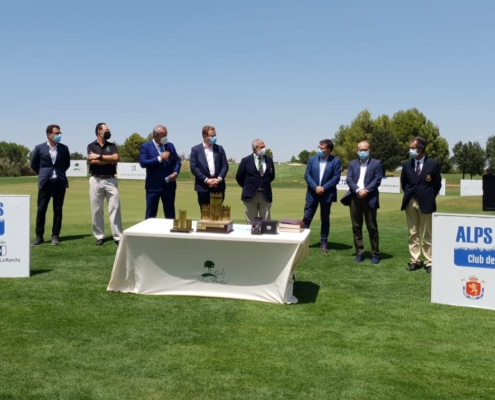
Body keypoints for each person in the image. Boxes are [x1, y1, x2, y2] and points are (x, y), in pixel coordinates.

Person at [401, 136, 442, 274]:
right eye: (410, 147)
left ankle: (429, 262)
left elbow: (437, 184)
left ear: (421, 149)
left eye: (413, 148)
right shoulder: (407, 164)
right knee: (413, 233)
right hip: (410, 202)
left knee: (427, 234)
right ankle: (414, 261)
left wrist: (429, 197)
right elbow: (404, 183)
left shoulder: (433, 164)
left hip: (426, 202)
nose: (410, 150)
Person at [340, 141, 383, 264]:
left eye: (365, 149)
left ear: (369, 150)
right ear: (357, 151)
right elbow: (349, 179)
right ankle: (360, 251)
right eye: (360, 150)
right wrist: (358, 190)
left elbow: (377, 180)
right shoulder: (352, 164)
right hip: (355, 197)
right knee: (356, 226)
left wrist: (366, 190)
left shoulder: (377, 163)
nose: (362, 152)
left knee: (372, 227)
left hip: (370, 198)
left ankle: (375, 253)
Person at [31, 124, 71, 246]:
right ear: (49, 134)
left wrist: (58, 172)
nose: (59, 135)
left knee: (58, 210)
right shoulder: (39, 148)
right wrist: (44, 173)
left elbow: (67, 164)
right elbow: (34, 164)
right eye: (56, 133)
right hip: (45, 183)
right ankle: (39, 236)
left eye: (60, 133)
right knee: (41, 210)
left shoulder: (64, 148)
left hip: (59, 182)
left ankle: (55, 235)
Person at [87, 122, 123, 246]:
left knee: (115, 208)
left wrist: (99, 156)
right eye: (106, 130)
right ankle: (99, 236)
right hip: (96, 180)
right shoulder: (91, 145)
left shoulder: (112, 145)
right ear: (99, 131)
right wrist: (106, 159)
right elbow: (93, 161)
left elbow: (116, 158)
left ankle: (118, 236)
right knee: (96, 209)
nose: (108, 132)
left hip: (111, 180)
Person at [302, 139, 341, 253]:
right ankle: (303, 241)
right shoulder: (312, 159)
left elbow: (336, 177)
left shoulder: (335, 161)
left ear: (328, 150)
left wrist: (323, 188)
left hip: (326, 194)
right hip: (312, 193)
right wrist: (315, 187)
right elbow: (307, 175)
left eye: (322, 148)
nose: (319, 149)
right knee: (307, 218)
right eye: (318, 147)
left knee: (325, 219)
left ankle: (324, 243)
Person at [139, 125, 181, 220]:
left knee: (170, 214)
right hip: (153, 186)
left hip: (169, 185)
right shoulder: (146, 147)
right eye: (163, 135)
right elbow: (143, 163)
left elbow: (177, 162)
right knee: (151, 214)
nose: (165, 138)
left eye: (166, 135)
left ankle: (170, 234)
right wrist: (159, 158)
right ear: (155, 136)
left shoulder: (170, 146)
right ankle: (148, 233)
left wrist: (175, 172)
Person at [235, 139, 275, 225]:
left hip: (265, 195)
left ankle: (265, 238)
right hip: (250, 196)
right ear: (254, 148)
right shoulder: (246, 160)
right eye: (261, 147)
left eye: (264, 147)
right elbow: (239, 177)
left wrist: (263, 184)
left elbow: (272, 176)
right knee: (252, 224)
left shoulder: (269, 160)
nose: (264, 149)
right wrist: (248, 187)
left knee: (266, 223)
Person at [190, 125, 229, 211]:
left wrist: (219, 179)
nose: (214, 137)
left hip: (218, 186)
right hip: (203, 187)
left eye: (215, 135)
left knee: (217, 213)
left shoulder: (220, 149)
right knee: (205, 214)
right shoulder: (195, 150)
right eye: (212, 136)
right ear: (205, 136)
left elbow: (225, 165)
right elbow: (193, 167)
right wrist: (206, 180)